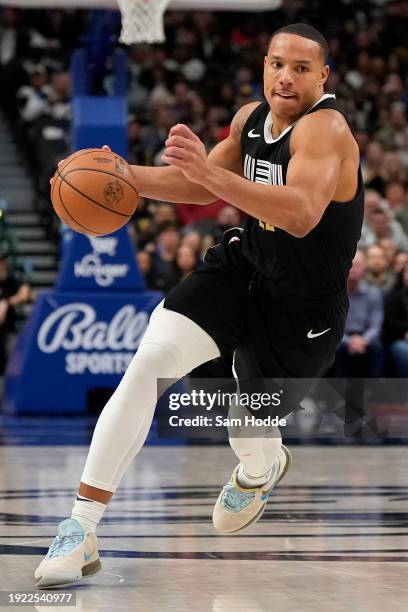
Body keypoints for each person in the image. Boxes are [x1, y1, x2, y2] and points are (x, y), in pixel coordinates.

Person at [35, 23, 364, 588]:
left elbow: (302, 213)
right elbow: (200, 187)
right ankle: (80, 528)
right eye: (277, 64)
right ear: (264, 65)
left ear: (323, 77)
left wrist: (209, 172)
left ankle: (263, 466)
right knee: (147, 365)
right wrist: (116, 178)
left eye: (301, 68)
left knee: (246, 430)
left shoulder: (326, 130)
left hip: (304, 310)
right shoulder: (248, 119)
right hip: (242, 270)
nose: (285, 77)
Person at [334, 250, 383, 377]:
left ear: (365, 268)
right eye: (351, 264)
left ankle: (374, 392)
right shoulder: (335, 295)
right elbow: (332, 326)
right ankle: (336, 394)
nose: (354, 269)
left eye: (358, 265)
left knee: (377, 347)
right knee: (333, 347)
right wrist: (349, 341)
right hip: (341, 337)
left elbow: (375, 326)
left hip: (365, 337)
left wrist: (363, 340)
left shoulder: (373, 293)